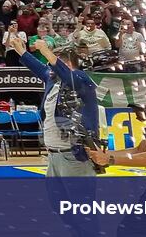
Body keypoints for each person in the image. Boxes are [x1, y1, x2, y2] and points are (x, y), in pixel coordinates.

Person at [8, 36, 99, 176]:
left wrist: (45, 51)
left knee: (77, 191)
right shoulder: (54, 80)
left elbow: (68, 76)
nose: (50, 68)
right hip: (53, 154)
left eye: (53, 63)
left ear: (68, 64)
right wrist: (21, 51)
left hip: (74, 155)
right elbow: (40, 68)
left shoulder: (82, 79)